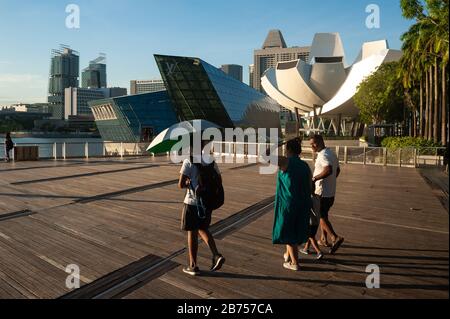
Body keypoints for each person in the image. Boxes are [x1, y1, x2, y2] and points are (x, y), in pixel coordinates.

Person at [178, 138, 225, 276]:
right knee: (203, 228)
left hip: (192, 203)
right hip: (207, 202)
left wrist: (188, 182)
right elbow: (220, 181)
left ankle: (193, 265)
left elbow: (180, 184)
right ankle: (216, 255)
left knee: (192, 232)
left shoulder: (189, 161)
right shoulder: (211, 161)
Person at [273, 138, 312, 271]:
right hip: (304, 202)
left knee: (288, 232)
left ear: (288, 149)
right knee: (294, 229)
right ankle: (288, 256)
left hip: (288, 203)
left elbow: (264, 155)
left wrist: (278, 144)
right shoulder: (305, 165)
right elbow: (310, 185)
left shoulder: (285, 161)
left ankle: (295, 263)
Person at [310, 135, 344, 254]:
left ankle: (334, 237)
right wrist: (332, 181)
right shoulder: (331, 153)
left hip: (322, 193)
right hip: (330, 193)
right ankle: (324, 239)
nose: (312, 146)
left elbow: (328, 169)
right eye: (311, 144)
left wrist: (314, 179)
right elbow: (337, 170)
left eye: (313, 143)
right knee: (324, 215)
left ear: (320, 142)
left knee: (321, 217)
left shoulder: (323, 155)